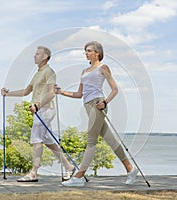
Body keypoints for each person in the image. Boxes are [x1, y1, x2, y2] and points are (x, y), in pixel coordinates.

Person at [55, 41, 138, 187]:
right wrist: (61, 92)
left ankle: (79, 176)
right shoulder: (84, 71)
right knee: (110, 140)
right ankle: (130, 169)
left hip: (98, 104)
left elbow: (115, 89)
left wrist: (105, 102)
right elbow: (79, 94)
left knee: (91, 140)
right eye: (85, 51)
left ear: (97, 53)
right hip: (87, 105)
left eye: (88, 50)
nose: (86, 53)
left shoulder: (103, 68)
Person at [1, 46, 75, 182]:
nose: (34, 56)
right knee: (48, 141)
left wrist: (38, 105)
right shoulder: (37, 73)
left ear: (45, 57)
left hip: (45, 109)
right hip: (39, 110)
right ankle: (69, 166)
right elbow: (27, 91)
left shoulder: (49, 72)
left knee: (36, 139)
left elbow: (52, 93)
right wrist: (8, 94)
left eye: (37, 54)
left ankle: (33, 173)